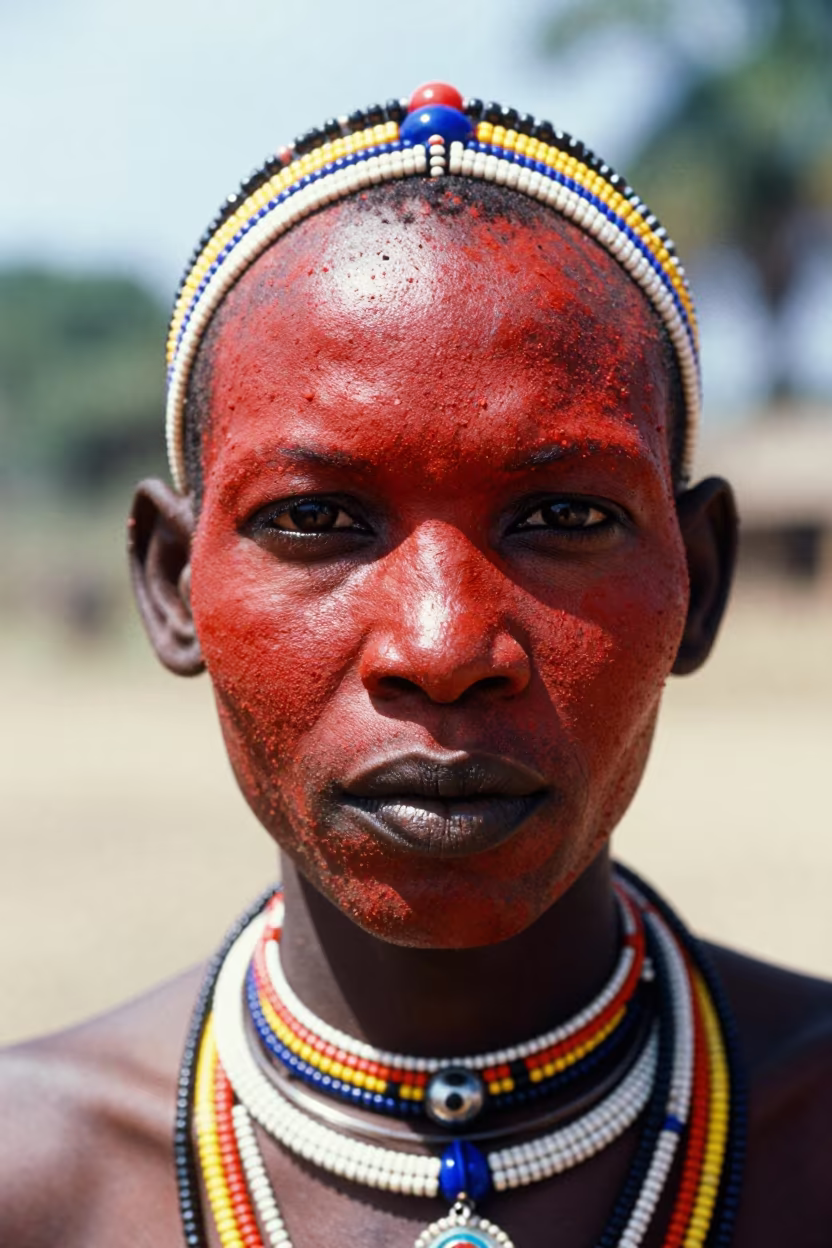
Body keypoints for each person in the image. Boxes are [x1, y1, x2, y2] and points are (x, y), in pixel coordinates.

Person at [1, 81, 831, 1248]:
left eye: (561, 518)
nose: (442, 651)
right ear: (171, 584)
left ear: (698, 583)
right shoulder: (33, 1186)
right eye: (317, 521)